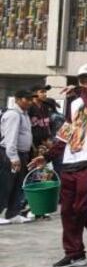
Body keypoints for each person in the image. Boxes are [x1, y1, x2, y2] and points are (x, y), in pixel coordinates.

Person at [28, 64, 87, 267]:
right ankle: (74, 253)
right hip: (71, 159)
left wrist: (81, 91)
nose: (86, 85)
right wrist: (47, 156)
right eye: (82, 81)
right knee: (68, 210)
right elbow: (66, 132)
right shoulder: (76, 102)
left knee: (83, 207)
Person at [0, 91, 35, 224]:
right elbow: (11, 137)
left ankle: (13, 213)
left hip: (22, 154)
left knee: (18, 185)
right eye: (27, 99)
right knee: (5, 184)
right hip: (10, 154)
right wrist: (14, 158)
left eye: (31, 99)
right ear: (18, 99)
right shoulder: (13, 115)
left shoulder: (24, 115)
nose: (30, 102)